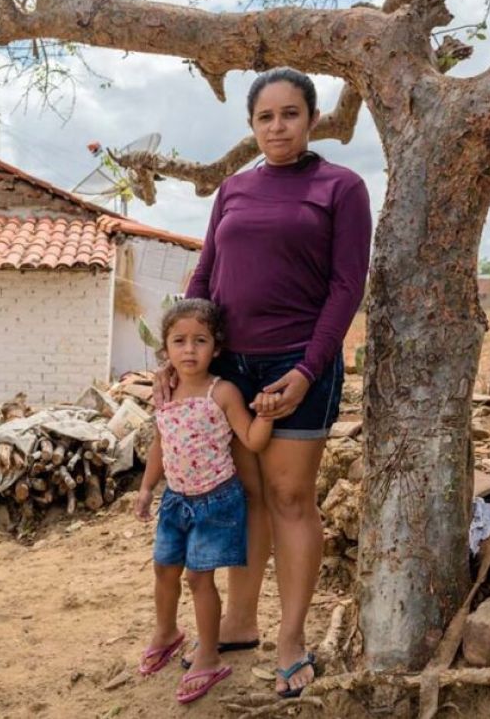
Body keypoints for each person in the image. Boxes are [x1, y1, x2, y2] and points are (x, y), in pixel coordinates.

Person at [158, 67, 372, 698]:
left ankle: (291, 638)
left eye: (290, 114)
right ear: (251, 125)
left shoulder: (341, 187)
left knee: (289, 499)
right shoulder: (232, 189)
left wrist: (306, 372)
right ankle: (242, 622)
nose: (277, 127)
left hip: (298, 363)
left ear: (312, 120)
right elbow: (206, 274)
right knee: (242, 495)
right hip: (230, 366)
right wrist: (181, 357)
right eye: (265, 117)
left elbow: (346, 287)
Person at [136, 298, 274, 704]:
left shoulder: (223, 392)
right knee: (164, 568)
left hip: (216, 502)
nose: (189, 350)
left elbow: (250, 439)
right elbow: (161, 442)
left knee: (199, 578)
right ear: (165, 349)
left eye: (200, 340)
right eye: (179, 341)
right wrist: (146, 487)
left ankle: (210, 656)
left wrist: (265, 413)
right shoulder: (166, 392)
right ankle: (166, 632)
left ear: (216, 348)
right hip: (175, 500)